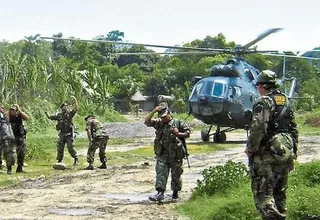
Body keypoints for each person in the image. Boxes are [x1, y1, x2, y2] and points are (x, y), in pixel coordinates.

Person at [245, 70, 298, 220]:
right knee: (280, 192)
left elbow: (258, 127)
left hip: (267, 153)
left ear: (261, 86)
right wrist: (293, 154)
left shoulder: (264, 101)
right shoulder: (286, 100)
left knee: (263, 194)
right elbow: (293, 128)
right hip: (285, 151)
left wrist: (250, 148)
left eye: (258, 87)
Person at [144, 102, 191, 202]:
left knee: (176, 175)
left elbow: (187, 134)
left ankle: (175, 193)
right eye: (162, 117)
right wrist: (154, 111)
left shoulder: (178, 123)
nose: (163, 118)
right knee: (161, 173)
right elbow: (147, 122)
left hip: (176, 155)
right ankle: (160, 193)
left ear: (169, 112)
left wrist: (178, 133)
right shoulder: (159, 123)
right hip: (163, 154)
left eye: (165, 116)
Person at [45, 96, 79, 166]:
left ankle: (76, 158)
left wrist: (75, 100)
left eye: (66, 106)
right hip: (62, 134)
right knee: (60, 147)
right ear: (61, 108)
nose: (65, 107)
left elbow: (76, 108)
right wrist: (46, 113)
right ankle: (59, 160)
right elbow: (50, 117)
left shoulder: (70, 114)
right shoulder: (59, 115)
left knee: (70, 147)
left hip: (69, 134)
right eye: (63, 107)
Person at [9, 104, 29, 173]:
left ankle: (19, 168)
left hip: (20, 136)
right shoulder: (9, 117)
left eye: (13, 110)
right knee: (11, 153)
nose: (12, 112)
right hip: (11, 137)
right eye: (11, 110)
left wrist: (20, 111)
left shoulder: (19, 115)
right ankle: (9, 168)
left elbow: (26, 118)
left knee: (21, 152)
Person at [0, 103, 15, 174]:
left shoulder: (6, 115)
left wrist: (4, 113)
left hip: (7, 137)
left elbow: (8, 119)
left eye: (2, 107)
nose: (1, 109)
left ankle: (9, 168)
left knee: (9, 152)